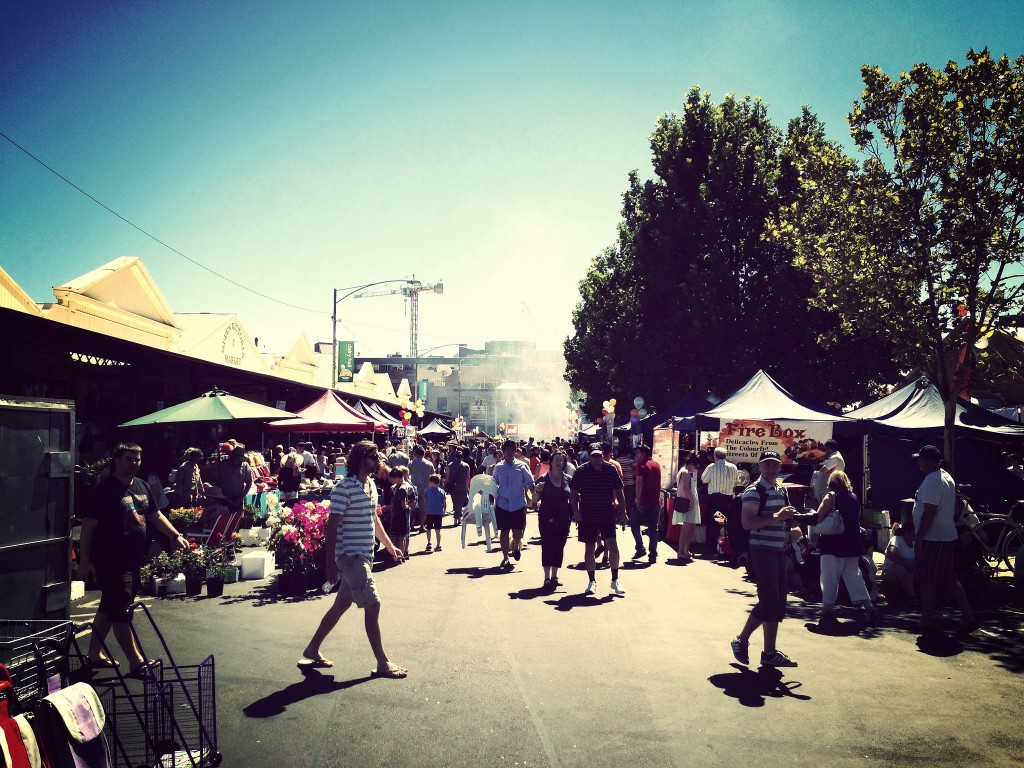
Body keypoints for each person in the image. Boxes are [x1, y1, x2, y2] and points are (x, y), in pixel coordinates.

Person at [79, 443, 188, 672]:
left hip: (133, 559)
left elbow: (155, 515)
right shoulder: (104, 490)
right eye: (128, 459)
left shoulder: (142, 486)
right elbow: (88, 526)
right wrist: (85, 561)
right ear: (117, 460)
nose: (134, 464)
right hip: (110, 560)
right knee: (120, 610)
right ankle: (136, 662)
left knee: (109, 605)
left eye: (137, 459)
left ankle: (94, 653)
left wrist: (175, 535)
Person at [301, 441, 407, 678]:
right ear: (361, 459)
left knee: (342, 604)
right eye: (373, 456)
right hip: (351, 557)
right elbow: (331, 527)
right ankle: (383, 662)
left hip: (365, 555)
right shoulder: (344, 488)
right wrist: (330, 564)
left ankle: (312, 648)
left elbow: (373, 519)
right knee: (373, 604)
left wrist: (390, 546)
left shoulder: (371, 485)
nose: (378, 460)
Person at [730, 450, 799, 668]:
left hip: (778, 549)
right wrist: (777, 516)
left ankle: (769, 652)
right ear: (759, 467)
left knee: (777, 603)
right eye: (767, 464)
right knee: (769, 600)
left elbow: (787, 518)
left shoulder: (781, 489)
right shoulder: (754, 491)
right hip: (762, 550)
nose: (771, 468)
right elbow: (747, 523)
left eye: (775, 464)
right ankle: (741, 640)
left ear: (780, 467)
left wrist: (794, 524)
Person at [911, 445, 978, 632]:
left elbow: (929, 512)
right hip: (945, 536)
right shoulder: (945, 476)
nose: (919, 462)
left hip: (935, 538)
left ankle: (926, 619)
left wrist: (919, 538)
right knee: (949, 578)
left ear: (928, 461)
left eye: (921, 459)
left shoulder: (932, 480)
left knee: (927, 579)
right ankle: (969, 618)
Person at [815, 471, 875, 626]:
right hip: (853, 543)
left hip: (833, 543)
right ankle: (868, 606)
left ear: (831, 483)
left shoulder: (831, 497)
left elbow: (818, 517)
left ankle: (827, 608)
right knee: (854, 576)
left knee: (829, 577)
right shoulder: (854, 498)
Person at [571, 442, 628, 596]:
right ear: (589, 457)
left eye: (598, 455)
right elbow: (573, 492)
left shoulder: (611, 469)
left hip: (606, 514)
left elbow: (619, 490)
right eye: (593, 456)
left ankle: (615, 579)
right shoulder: (581, 471)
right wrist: (575, 511)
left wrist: (623, 512)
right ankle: (591, 581)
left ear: (603, 455)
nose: (596, 458)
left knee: (613, 545)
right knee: (589, 549)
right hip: (587, 515)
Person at [492, 439, 536, 569]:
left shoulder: (522, 466)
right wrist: (490, 497)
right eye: (507, 450)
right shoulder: (498, 467)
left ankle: (516, 546)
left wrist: (535, 498)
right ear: (503, 452)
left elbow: (530, 483)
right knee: (504, 532)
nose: (510, 452)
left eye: (512, 449)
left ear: (515, 451)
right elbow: (494, 483)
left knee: (518, 532)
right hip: (502, 504)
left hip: (518, 503)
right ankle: (505, 557)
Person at [535, 452, 572, 589]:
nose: (558, 462)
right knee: (547, 546)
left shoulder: (568, 479)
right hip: (546, 517)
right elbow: (534, 500)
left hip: (564, 518)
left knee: (559, 546)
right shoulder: (543, 479)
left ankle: (555, 576)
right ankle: (546, 577)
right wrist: (538, 491)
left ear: (564, 463)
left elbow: (572, 497)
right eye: (556, 459)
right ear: (550, 462)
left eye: (561, 460)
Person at [701, 446, 738, 552]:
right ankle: (725, 545)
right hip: (727, 499)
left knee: (713, 523)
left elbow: (703, 480)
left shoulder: (712, 467)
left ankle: (712, 547)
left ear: (715, 456)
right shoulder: (733, 467)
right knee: (725, 522)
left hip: (715, 500)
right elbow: (735, 483)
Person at [631, 444, 662, 563]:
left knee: (634, 524)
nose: (636, 455)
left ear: (644, 454)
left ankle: (640, 548)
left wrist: (637, 499)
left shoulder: (641, 465)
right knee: (653, 529)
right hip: (655, 501)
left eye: (638, 452)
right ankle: (653, 554)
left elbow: (639, 482)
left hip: (643, 500)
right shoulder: (656, 464)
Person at [672, 452, 701, 562]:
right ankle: (681, 552)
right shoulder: (685, 472)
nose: (695, 469)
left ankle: (685, 550)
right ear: (692, 464)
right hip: (687, 502)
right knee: (687, 527)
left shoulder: (683, 471)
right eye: (696, 467)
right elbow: (685, 489)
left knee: (690, 526)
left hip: (688, 502)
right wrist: (692, 501)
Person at [881, 520, 917, 604]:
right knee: (901, 568)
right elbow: (891, 553)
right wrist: (905, 562)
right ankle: (912, 597)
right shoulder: (896, 539)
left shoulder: (915, 543)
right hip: (891, 572)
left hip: (910, 572)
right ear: (908, 532)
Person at [217, 444, 253, 512]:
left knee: (238, 517)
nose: (238, 460)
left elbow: (249, 483)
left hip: (238, 499)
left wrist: (241, 497)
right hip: (224, 498)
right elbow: (218, 481)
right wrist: (224, 495)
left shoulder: (245, 465)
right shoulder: (223, 465)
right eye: (237, 457)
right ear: (233, 456)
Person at [408, 445, 435, 533]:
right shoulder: (429, 464)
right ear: (423, 454)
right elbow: (433, 476)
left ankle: (411, 525)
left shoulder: (411, 463)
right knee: (423, 509)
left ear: (416, 454)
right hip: (425, 489)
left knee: (412, 507)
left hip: (414, 488)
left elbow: (408, 474)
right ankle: (422, 526)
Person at [811, 439, 845, 505]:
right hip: (835, 483)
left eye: (826, 448)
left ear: (829, 448)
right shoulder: (837, 455)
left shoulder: (835, 458)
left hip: (833, 484)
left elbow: (822, 471)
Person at [444, 448, 471, 525]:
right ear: (462, 457)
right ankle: (457, 519)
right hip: (462, 486)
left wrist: (445, 484)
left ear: (455, 457)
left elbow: (447, 476)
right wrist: (467, 487)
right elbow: (468, 478)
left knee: (455, 503)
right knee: (460, 503)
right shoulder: (466, 466)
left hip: (453, 486)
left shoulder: (450, 465)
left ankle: (457, 519)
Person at [423, 474, 447, 552]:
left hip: (429, 512)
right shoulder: (441, 491)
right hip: (438, 513)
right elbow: (444, 503)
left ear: (432, 482)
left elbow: (425, 501)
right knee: (438, 530)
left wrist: (426, 508)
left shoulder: (427, 491)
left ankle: (429, 543)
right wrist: (444, 511)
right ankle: (438, 545)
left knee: (428, 529)